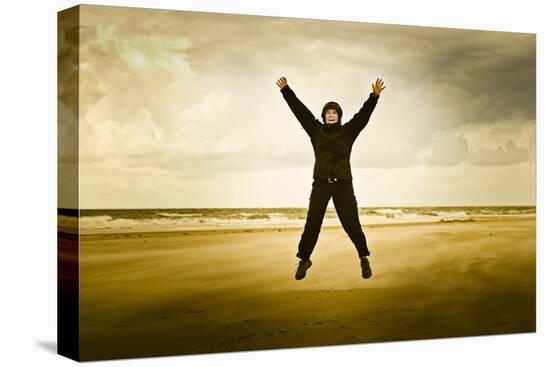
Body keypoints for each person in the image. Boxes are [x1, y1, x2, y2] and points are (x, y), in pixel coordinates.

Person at [276, 76, 385, 280]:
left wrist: (374, 97)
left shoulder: (348, 132)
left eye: (334, 112)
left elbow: (362, 117)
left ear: (339, 116)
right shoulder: (316, 131)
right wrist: (286, 91)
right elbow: (301, 112)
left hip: (343, 184)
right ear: (324, 116)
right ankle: (304, 260)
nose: (331, 115)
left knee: (351, 222)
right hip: (321, 184)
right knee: (312, 223)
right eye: (328, 112)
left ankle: (363, 257)